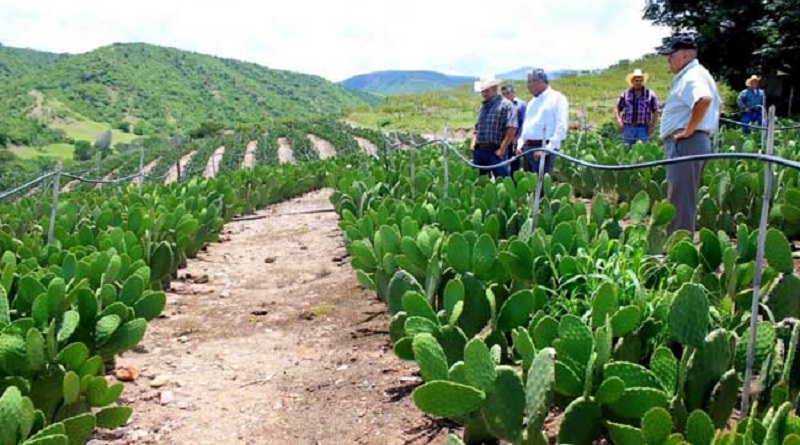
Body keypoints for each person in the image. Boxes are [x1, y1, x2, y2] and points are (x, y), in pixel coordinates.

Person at [657, 34, 721, 237]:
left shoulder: (691, 76)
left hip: (686, 143)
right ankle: (678, 243)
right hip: (690, 142)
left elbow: (703, 99)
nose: (668, 60)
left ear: (684, 56)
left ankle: (678, 248)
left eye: (671, 55)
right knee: (682, 196)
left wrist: (689, 129)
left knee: (681, 198)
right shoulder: (698, 74)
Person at [516, 69, 569, 175]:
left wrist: (547, 149)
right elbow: (527, 126)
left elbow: (561, 127)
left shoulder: (557, 98)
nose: (527, 86)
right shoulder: (532, 102)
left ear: (540, 82)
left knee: (542, 187)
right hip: (528, 149)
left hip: (545, 149)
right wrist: (521, 143)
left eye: (529, 82)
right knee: (530, 186)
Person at [470, 78, 517, 178]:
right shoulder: (482, 107)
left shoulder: (506, 105)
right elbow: (477, 127)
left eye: (486, 91)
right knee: (478, 182)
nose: (484, 94)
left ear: (495, 89)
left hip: (496, 151)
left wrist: (502, 149)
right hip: (479, 151)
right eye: (482, 91)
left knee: (502, 182)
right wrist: (474, 141)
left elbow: (512, 128)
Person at [614, 68, 660, 146]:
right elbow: (617, 108)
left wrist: (652, 126)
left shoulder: (650, 94)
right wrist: (619, 121)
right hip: (628, 127)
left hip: (643, 128)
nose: (639, 82)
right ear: (632, 81)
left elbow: (655, 111)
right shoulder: (625, 94)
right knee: (627, 152)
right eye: (636, 80)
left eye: (640, 80)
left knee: (642, 152)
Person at [500, 84, 527, 175]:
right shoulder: (501, 105)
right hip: (503, 139)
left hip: (515, 139)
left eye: (508, 93)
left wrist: (518, 138)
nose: (506, 96)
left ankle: (514, 185)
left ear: (513, 93)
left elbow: (524, 123)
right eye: (503, 94)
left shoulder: (521, 105)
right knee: (502, 162)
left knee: (514, 162)